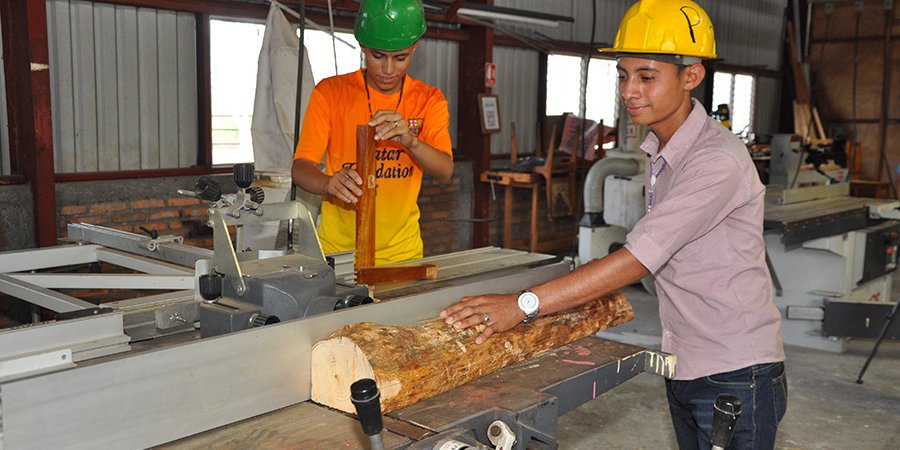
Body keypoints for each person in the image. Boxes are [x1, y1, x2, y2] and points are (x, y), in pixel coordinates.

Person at [440, 1, 787, 448]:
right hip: (689, 358)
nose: (629, 91)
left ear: (691, 76)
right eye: (623, 75)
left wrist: (522, 304)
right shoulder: (663, 150)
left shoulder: (714, 160)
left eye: (646, 76)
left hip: (736, 373)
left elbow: (638, 258)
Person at [292, 0, 453, 265]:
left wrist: (412, 143)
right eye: (378, 56)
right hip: (338, 253)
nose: (389, 70)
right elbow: (300, 167)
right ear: (363, 47)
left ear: (415, 47)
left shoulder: (429, 100)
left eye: (400, 58)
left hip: (403, 255)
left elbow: (445, 169)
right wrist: (327, 183)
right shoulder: (330, 93)